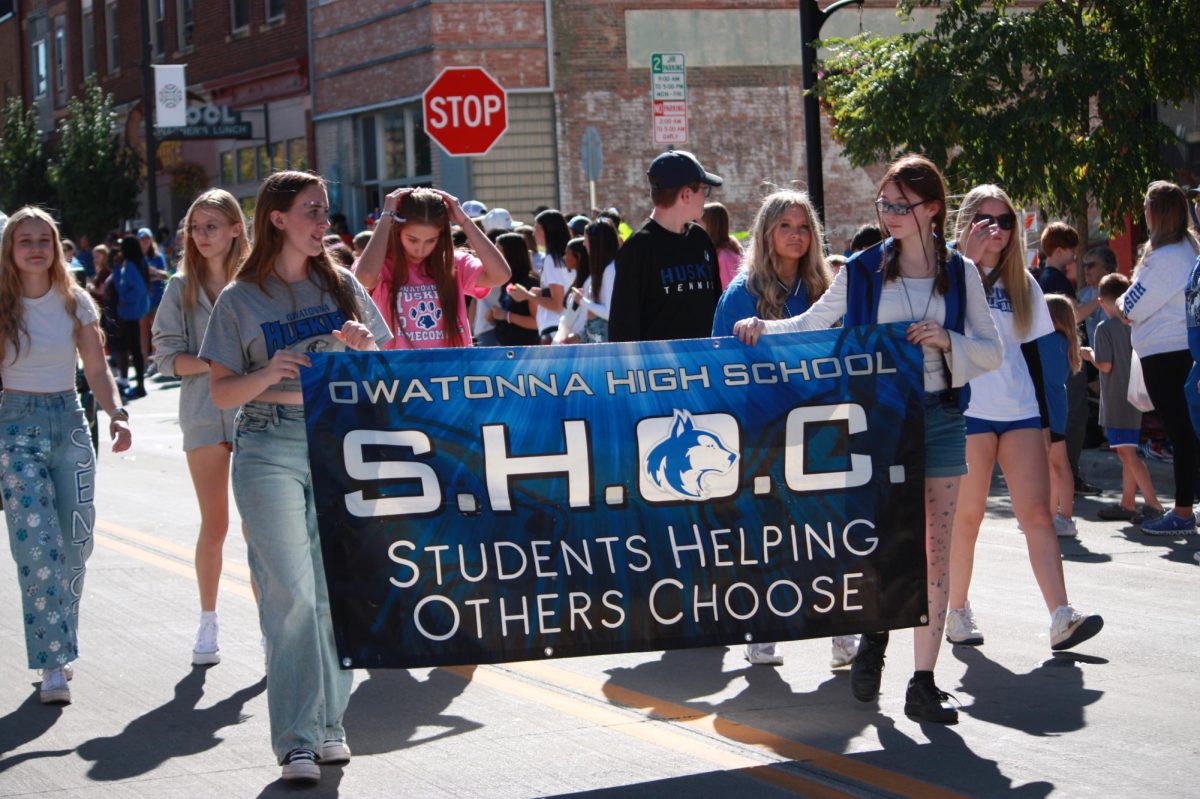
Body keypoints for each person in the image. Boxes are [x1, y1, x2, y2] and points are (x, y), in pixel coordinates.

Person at [734, 155, 1003, 723]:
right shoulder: (861, 269)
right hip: (878, 420)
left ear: (932, 209)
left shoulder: (961, 272)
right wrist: (764, 326)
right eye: (884, 203)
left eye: (901, 205)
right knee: (882, 541)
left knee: (935, 547)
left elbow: (992, 349)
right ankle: (875, 639)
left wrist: (948, 340)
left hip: (941, 416)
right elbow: (813, 322)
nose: (889, 214)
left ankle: (924, 681)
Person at [198, 171, 392, 783]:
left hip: (335, 443)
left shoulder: (341, 284)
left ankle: (332, 725)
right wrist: (269, 371)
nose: (323, 220)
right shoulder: (239, 298)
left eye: (326, 210)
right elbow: (221, 391)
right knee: (290, 593)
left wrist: (362, 348)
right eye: (312, 210)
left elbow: (388, 366)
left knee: (333, 590)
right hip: (266, 443)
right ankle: (297, 741)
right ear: (277, 218)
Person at [947, 183, 1103, 655]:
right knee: (967, 518)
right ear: (968, 222)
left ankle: (1061, 615)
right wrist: (968, 264)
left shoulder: (1026, 283)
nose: (997, 229)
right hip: (969, 410)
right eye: (987, 220)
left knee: (1038, 514)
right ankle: (956, 610)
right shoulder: (948, 274)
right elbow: (941, 327)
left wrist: (1048, 424)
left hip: (1020, 413)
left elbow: (1038, 359)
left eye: (1007, 221)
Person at [714, 189, 862, 669]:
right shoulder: (741, 294)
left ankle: (839, 632)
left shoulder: (828, 287)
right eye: (786, 226)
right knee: (770, 531)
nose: (796, 236)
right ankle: (763, 627)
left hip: (821, 424)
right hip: (761, 428)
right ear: (766, 232)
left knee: (828, 531)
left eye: (804, 227)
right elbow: (716, 365)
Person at [0, 206, 132, 705]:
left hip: (71, 421)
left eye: (44, 239)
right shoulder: (3, 303)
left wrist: (116, 413)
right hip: (15, 424)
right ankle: (53, 661)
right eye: (24, 240)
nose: (35, 247)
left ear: (55, 247)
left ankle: (63, 634)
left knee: (76, 543)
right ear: (10, 251)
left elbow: (96, 370)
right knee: (37, 546)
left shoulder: (75, 301)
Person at [152, 189, 250, 666]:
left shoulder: (257, 281)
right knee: (215, 524)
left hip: (257, 413)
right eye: (195, 227)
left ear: (236, 228)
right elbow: (166, 357)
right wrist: (217, 361)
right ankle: (208, 620)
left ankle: (274, 627)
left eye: (212, 226)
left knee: (261, 529)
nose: (202, 235)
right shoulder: (180, 286)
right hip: (203, 414)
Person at [1119, 180, 1200, 536]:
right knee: (1187, 432)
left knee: (1182, 434)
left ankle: (1183, 512)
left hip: (1167, 355)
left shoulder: (1167, 257)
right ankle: (1184, 508)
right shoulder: (1187, 248)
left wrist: (1122, 303)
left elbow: (1131, 307)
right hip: (1176, 350)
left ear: (1155, 213)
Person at [353, 187, 510, 350]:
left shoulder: (453, 262)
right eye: (412, 239)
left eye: (431, 240)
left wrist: (464, 220)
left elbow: (500, 275)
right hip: (399, 371)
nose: (420, 249)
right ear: (397, 231)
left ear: (441, 236)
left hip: (452, 370)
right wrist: (387, 216)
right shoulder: (382, 264)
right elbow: (364, 278)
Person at [609, 150, 723, 342]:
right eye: (704, 189)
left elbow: (718, 309)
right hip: (659, 370)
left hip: (704, 368)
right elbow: (622, 333)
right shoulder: (638, 249)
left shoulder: (700, 239)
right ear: (686, 194)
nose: (706, 197)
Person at [1084, 273, 1164, 523]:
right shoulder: (1135, 324)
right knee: (1127, 450)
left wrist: (1089, 355)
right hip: (1137, 394)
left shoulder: (1104, 328)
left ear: (1101, 302)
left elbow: (1105, 365)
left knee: (1127, 452)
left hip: (1117, 397)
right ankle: (1127, 503)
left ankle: (1152, 503)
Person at [1044, 294, 1082, 536]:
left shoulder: (1044, 341)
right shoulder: (1067, 342)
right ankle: (1061, 516)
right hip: (1057, 407)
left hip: (1044, 408)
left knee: (1054, 465)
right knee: (1058, 465)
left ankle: (1059, 517)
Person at [507, 210, 574, 343]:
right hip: (565, 326)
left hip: (555, 330)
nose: (533, 233)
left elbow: (557, 304)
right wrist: (542, 292)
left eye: (536, 228)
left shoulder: (552, 260)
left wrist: (526, 295)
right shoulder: (566, 258)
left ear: (547, 230)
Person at [566, 220, 620, 343]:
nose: (584, 244)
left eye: (586, 239)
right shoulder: (605, 269)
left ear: (596, 242)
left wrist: (582, 300)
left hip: (606, 341)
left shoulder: (610, 269)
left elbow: (609, 312)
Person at [114, 235, 151, 399]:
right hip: (138, 310)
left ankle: (140, 386)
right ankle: (140, 385)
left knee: (134, 349)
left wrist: (124, 300)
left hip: (131, 312)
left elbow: (138, 289)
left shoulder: (130, 265)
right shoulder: (139, 262)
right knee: (136, 349)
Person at [489, 233, 540, 346]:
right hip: (505, 347)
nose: (494, 254)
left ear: (510, 253)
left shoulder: (530, 282)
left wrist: (506, 316)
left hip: (526, 350)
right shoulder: (507, 280)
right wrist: (495, 317)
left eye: (498, 250)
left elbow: (536, 322)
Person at [136, 227, 170, 369]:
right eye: (142, 239)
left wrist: (153, 272)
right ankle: (144, 361)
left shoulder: (157, 256)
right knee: (143, 332)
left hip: (156, 298)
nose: (145, 242)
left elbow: (165, 274)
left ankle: (156, 361)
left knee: (155, 330)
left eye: (147, 238)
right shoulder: (136, 258)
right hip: (141, 299)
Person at [701, 201, 744, 290]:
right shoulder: (727, 248)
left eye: (698, 222)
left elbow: (728, 289)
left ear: (712, 225)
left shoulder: (723, 256)